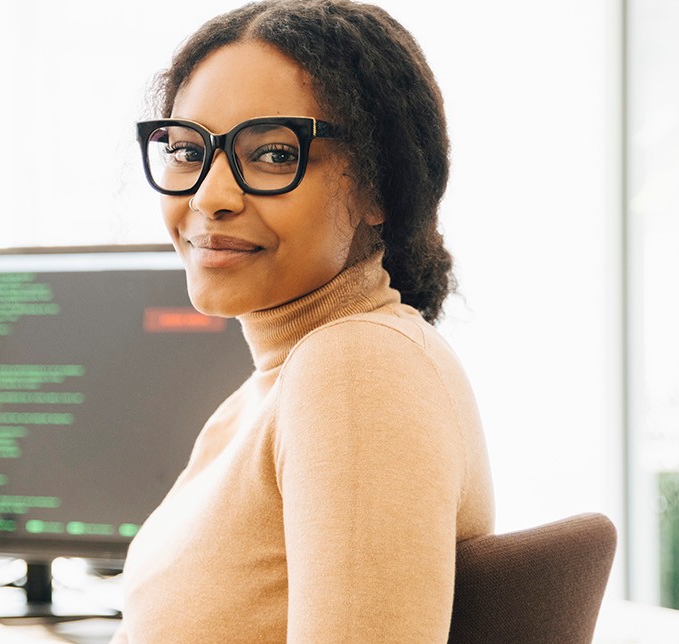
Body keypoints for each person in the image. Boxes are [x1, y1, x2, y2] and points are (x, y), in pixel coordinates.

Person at [118, 1, 493, 642]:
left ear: (379, 189)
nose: (210, 195)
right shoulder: (280, 379)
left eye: (270, 155)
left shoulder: (356, 367)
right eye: (186, 149)